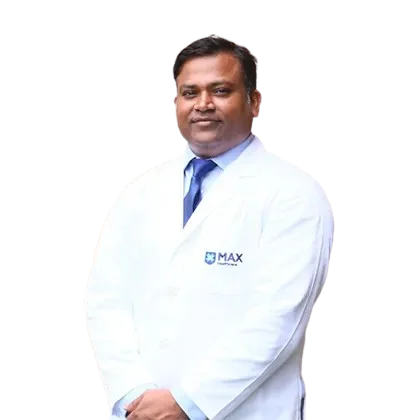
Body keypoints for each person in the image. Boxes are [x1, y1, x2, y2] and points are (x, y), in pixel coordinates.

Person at [84, 35, 335, 420]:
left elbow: (279, 319)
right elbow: (106, 298)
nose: (203, 104)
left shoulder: (294, 193)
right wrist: (132, 392)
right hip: (140, 411)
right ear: (177, 105)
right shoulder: (141, 190)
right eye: (190, 93)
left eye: (220, 90)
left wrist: (187, 402)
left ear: (254, 102)